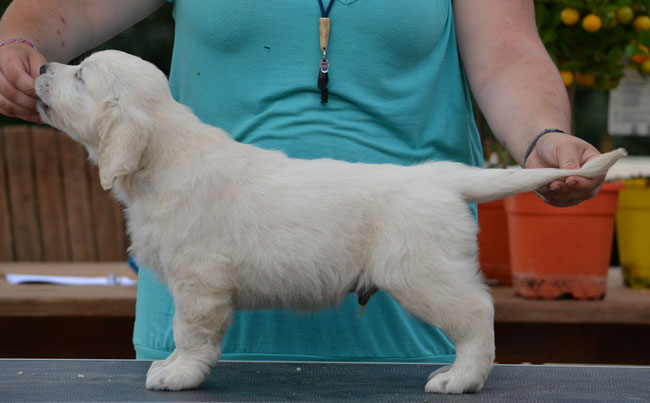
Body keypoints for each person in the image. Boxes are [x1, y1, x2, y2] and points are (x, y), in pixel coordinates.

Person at [0, 0, 604, 363]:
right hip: (202, 343)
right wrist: (17, 43)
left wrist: (541, 137)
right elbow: (65, 7)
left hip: (408, 335)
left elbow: (508, 56)